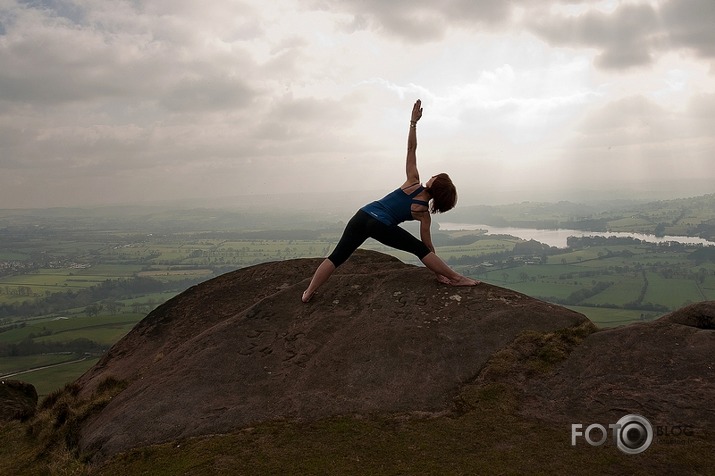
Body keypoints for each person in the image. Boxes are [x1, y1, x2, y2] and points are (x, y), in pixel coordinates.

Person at [302, 99, 479, 302]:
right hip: (380, 224)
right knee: (418, 249)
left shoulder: (413, 181)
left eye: (436, 176)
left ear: (436, 185)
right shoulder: (423, 212)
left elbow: (411, 149)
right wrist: (439, 273)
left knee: (337, 257)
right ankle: (457, 278)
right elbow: (428, 248)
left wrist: (413, 123)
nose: (433, 175)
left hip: (363, 214)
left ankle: (308, 293)